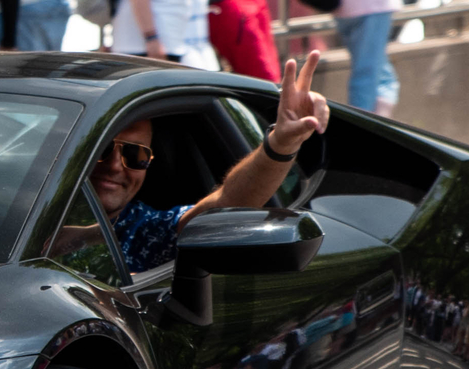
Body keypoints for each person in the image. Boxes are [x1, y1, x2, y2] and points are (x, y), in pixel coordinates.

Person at [81, 51, 335, 272]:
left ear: (150, 164)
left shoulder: (142, 230)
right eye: (102, 148)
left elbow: (226, 204)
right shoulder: (40, 205)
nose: (115, 165)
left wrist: (281, 144)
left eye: (134, 156)